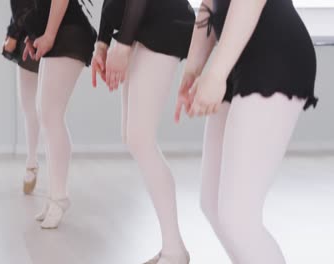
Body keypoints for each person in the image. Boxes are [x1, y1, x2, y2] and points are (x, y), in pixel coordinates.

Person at [175, 0, 317, 263]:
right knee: (213, 205)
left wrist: (216, 75)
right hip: (238, 61)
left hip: (274, 54)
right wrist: (193, 70)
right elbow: (210, 3)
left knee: (237, 216)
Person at [92, 0, 195, 263]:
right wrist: (102, 44)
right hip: (142, 25)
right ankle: (173, 248)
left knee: (140, 138)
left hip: (163, 23)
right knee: (133, 137)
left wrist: (123, 45)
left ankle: (174, 251)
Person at [22, 0, 97, 229]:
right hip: (58, 33)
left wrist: (49, 34)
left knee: (51, 115)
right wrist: (34, 35)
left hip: (69, 34)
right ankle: (54, 196)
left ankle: (59, 197)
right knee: (45, 113)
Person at [2, 0, 41, 195]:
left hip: (43, 35)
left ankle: (32, 165)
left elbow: (22, 7)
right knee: (31, 107)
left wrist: (12, 34)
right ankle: (32, 163)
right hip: (34, 33)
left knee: (38, 107)